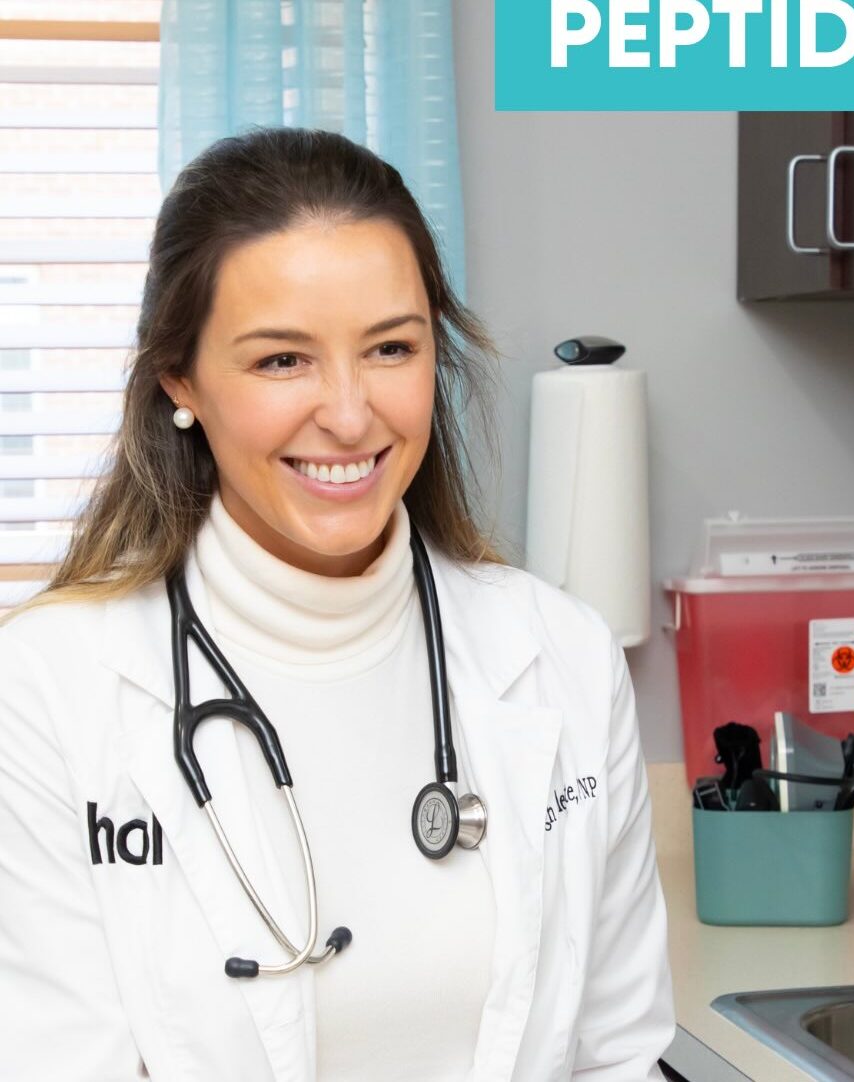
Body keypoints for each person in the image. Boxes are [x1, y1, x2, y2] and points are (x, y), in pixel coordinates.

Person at [0, 127, 675, 1081]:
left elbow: (618, 1054)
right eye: (283, 360)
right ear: (180, 380)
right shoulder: (44, 688)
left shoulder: (559, 654)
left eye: (391, 348)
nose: (352, 415)